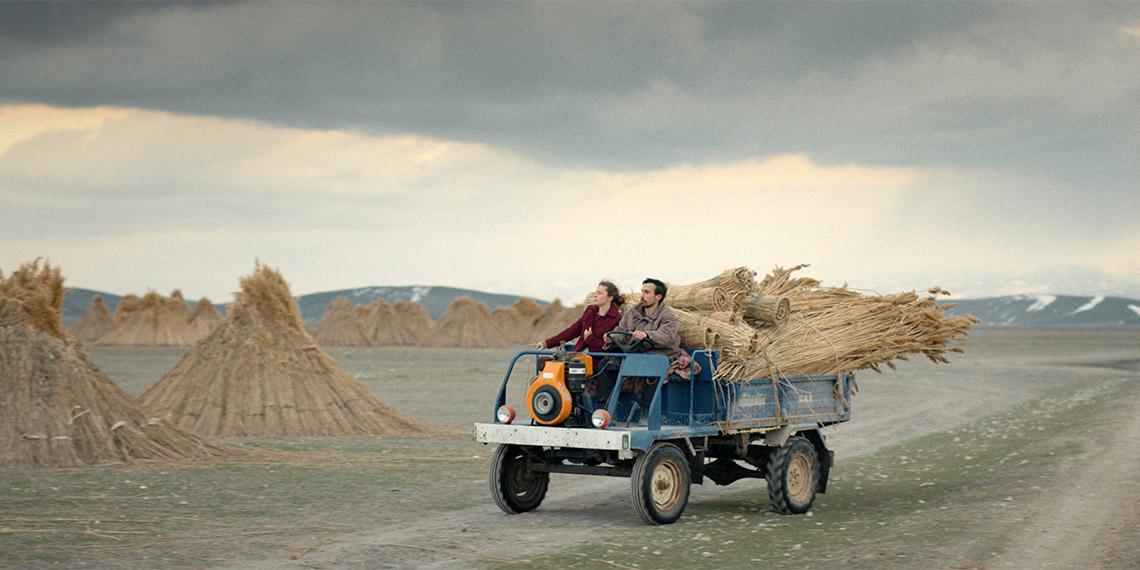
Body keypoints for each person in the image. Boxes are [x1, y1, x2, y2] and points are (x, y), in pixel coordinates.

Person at [603, 278, 696, 411]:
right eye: (642, 291)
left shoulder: (668, 316)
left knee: (651, 367)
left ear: (658, 297)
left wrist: (647, 335)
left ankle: (647, 413)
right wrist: (611, 338)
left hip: (661, 355)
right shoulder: (633, 312)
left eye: (647, 292)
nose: (642, 295)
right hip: (635, 354)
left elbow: (667, 337)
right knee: (606, 364)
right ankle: (605, 409)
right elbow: (622, 331)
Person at [536, 280, 624, 355]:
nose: (595, 295)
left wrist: (590, 338)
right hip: (578, 357)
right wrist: (547, 343)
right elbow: (572, 331)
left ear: (610, 298)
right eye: (595, 292)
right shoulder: (590, 311)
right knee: (544, 364)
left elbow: (611, 349)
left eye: (599, 293)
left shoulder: (618, 319)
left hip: (597, 364)